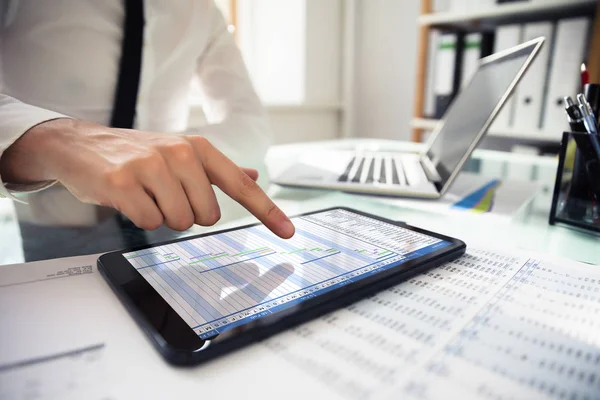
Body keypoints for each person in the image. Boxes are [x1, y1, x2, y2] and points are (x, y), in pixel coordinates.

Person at [0, 0, 295, 239]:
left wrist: (177, 159)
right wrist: (52, 141)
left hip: (170, 224)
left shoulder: (202, 10)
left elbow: (249, 120)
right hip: (45, 227)